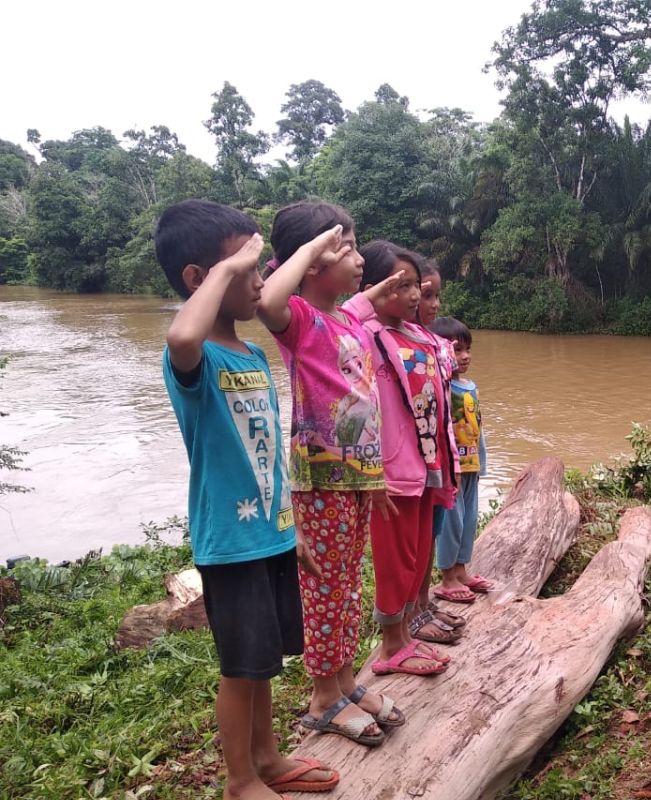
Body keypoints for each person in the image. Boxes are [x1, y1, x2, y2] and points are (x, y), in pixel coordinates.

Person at [156, 199, 338, 798]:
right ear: (199, 278)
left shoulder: (253, 355)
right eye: (247, 267)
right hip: (230, 543)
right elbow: (184, 328)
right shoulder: (194, 356)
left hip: (269, 532)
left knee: (265, 661)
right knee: (239, 668)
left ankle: (266, 757)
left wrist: (293, 528)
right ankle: (240, 781)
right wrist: (228, 270)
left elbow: (268, 451)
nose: (258, 279)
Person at [257, 202, 404, 746]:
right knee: (324, 587)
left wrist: (377, 474)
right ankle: (323, 698)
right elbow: (268, 300)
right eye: (346, 248)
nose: (359, 257)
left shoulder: (346, 319)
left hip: (358, 477)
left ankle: (345, 683)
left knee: (346, 586)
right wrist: (311, 249)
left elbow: (365, 301)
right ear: (312, 262)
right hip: (320, 480)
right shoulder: (300, 320)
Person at [345, 240, 453, 675]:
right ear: (372, 289)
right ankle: (391, 644)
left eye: (416, 285)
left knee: (417, 551)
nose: (414, 294)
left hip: (426, 461)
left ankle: (406, 633)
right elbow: (340, 319)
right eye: (401, 285)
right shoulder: (363, 334)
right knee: (394, 557)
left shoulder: (416, 333)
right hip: (390, 469)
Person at [406, 259, 469, 642]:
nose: (430, 302)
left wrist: (454, 461)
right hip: (412, 464)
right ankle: (411, 613)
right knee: (413, 544)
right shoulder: (387, 341)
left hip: (439, 458)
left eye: (433, 294)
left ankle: (423, 602)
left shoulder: (435, 345)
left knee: (430, 534)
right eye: (422, 293)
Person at [429, 316, 494, 602]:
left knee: (468, 520)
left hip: (471, 468)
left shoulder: (470, 387)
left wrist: (482, 462)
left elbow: (477, 428)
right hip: (450, 471)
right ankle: (446, 579)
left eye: (468, 349)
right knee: (450, 524)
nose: (465, 356)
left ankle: (461, 570)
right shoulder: (439, 388)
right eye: (457, 350)